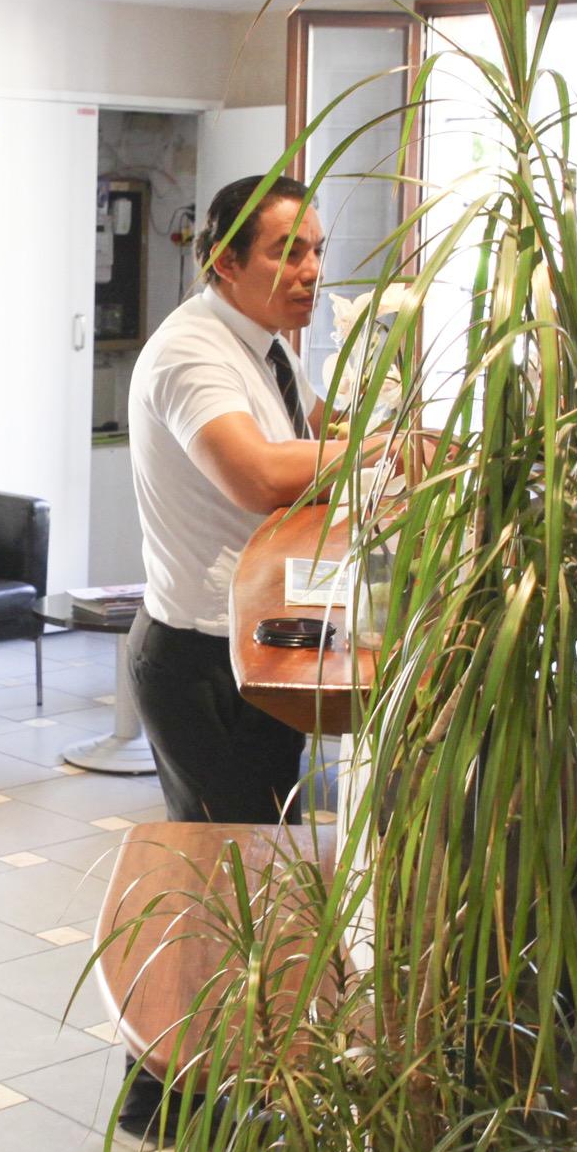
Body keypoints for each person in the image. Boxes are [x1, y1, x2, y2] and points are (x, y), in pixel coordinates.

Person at [126, 174, 371, 827]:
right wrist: (382, 450)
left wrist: (398, 417)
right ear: (224, 262)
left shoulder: (268, 348)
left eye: (317, 251)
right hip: (197, 657)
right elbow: (259, 475)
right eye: (286, 253)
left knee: (269, 848)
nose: (311, 271)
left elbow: (323, 432)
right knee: (228, 871)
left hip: (258, 635)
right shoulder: (190, 352)